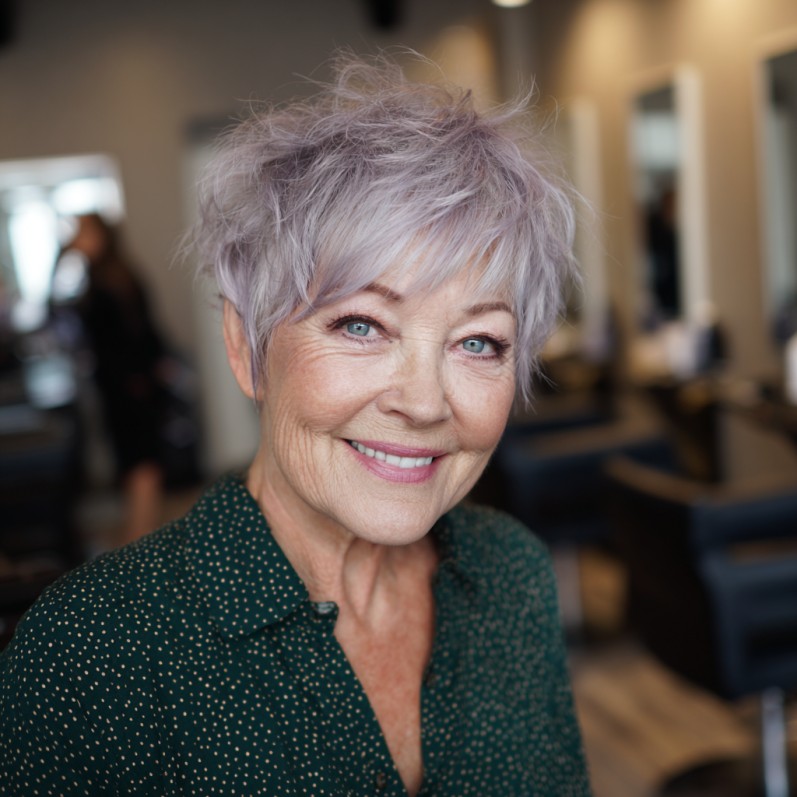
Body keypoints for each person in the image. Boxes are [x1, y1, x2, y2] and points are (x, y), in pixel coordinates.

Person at [0, 54, 591, 795]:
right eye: (361, 324)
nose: (424, 401)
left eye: (479, 341)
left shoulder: (511, 577)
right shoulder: (93, 654)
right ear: (246, 345)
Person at [56, 213, 168, 545]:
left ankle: (141, 534)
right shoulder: (94, 278)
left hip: (133, 388)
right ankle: (139, 533)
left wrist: (142, 379)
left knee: (142, 460)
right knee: (131, 460)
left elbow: (145, 335)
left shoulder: (119, 280)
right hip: (115, 388)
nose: (79, 239)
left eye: (84, 233)